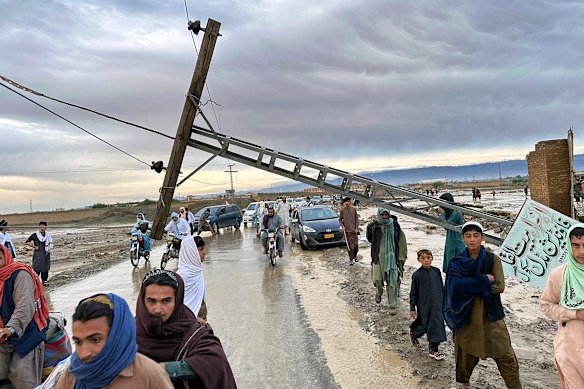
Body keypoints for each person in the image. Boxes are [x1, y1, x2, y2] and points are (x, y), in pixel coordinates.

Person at [443, 221, 521, 389]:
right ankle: (464, 383)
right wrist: (483, 280)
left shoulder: (493, 259)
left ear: (483, 237)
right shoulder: (456, 263)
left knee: (506, 356)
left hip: (491, 315)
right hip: (467, 316)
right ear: (463, 238)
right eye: (468, 236)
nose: (472, 240)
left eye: (476, 236)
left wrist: (468, 286)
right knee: (465, 355)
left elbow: (500, 286)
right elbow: (453, 288)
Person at [135, 269, 237, 389]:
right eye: (151, 301)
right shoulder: (128, 331)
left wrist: (165, 369)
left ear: (177, 301)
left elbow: (215, 362)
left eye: (166, 301)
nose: (158, 309)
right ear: (142, 300)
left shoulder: (193, 332)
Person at [54, 293, 173, 388]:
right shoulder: (72, 375)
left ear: (118, 337)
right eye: (78, 342)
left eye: (95, 340)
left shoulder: (150, 376)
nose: (84, 354)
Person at [540, 223, 584, 388]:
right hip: (570, 347)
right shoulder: (559, 275)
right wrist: (575, 314)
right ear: (569, 245)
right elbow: (546, 305)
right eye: (576, 245)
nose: (581, 252)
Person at [0, 244, 49, 389]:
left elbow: (25, 306)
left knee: (22, 377)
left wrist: (11, 328)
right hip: (3, 335)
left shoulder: (20, 275)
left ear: (6, 257)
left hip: (27, 332)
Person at [366, 208, 406, 315]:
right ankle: (379, 292)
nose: (384, 217)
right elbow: (370, 238)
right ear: (378, 215)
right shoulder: (372, 226)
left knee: (392, 281)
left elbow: (399, 240)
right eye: (382, 214)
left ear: (389, 215)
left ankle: (392, 305)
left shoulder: (395, 225)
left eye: (386, 214)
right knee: (377, 279)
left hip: (392, 258)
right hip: (377, 257)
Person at [409, 249, 446, 360]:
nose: (426, 260)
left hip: (438, 303)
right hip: (424, 305)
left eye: (428, 257)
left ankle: (433, 349)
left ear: (432, 258)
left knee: (436, 324)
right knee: (425, 324)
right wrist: (412, 308)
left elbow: (441, 287)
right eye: (423, 258)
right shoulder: (417, 275)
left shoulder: (436, 271)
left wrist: (445, 301)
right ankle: (414, 333)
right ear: (419, 260)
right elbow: (413, 292)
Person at [176, 236, 208, 323]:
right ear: (191, 252)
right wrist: (193, 319)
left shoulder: (197, 270)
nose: (204, 252)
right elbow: (176, 305)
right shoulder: (182, 276)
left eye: (204, 249)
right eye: (201, 249)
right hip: (189, 323)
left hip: (201, 321)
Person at [438, 193, 467, 273]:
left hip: (456, 238)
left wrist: (442, 213)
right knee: (450, 256)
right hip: (451, 238)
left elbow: (447, 225)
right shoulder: (451, 211)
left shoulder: (456, 212)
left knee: (456, 257)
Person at [25, 221, 53, 286]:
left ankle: (44, 281)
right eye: (40, 227)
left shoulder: (48, 235)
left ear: (46, 227)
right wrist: (34, 246)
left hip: (46, 253)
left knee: (45, 266)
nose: (42, 228)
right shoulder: (35, 235)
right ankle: (35, 281)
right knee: (37, 266)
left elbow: (50, 243)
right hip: (38, 254)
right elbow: (27, 242)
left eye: (43, 227)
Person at [339, 197, 359, 265]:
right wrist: (343, 226)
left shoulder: (354, 209)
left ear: (350, 202)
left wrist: (356, 228)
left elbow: (357, 219)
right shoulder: (342, 210)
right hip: (347, 232)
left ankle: (355, 256)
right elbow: (340, 220)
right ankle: (351, 259)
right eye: (345, 202)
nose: (347, 203)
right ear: (344, 203)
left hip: (354, 231)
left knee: (356, 246)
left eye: (348, 201)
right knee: (350, 247)